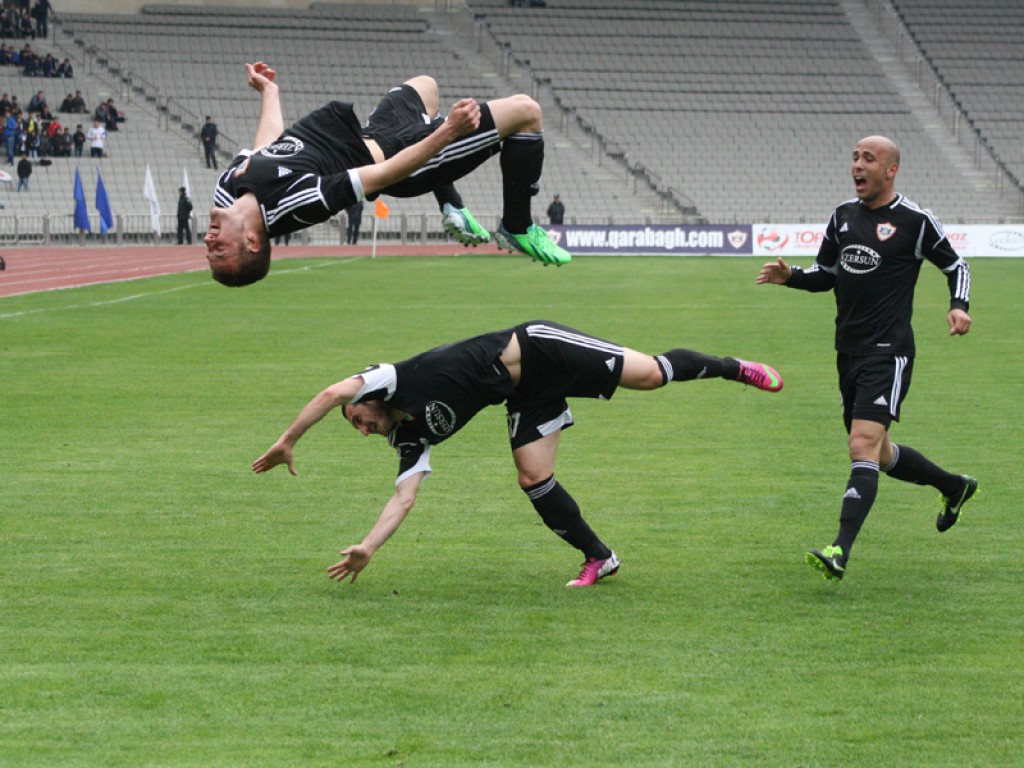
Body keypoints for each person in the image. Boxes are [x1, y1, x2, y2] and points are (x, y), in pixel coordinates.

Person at [252, 320, 783, 586]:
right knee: (533, 475)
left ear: (370, 399)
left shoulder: (391, 379)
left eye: (359, 420)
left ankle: (733, 368)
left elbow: (332, 393)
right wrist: (368, 548)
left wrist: (288, 440)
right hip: (525, 393)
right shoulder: (410, 435)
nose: (364, 429)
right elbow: (404, 498)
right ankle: (600, 557)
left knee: (651, 376)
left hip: (539, 346)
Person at [756, 135, 977, 583]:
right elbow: (826, 275)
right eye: (855, 157)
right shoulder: (842, 216)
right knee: (879, 452)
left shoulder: (916, 221)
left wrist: (959, 305)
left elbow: (957, 266)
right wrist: (791, 276)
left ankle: (839, 550)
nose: (857, 165)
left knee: (861, 445)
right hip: (848, 352)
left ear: (891, 170)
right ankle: (954, 486)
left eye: (868, 159)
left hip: (889, 352)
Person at [205, 61, 570, 288]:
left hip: (378, 131)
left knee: (427, 85)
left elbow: (266, 147)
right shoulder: (296, 204)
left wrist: (269, 92)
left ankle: (451, 203)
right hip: (405, 163)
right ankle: (517, 226)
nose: (209, 240)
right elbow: (382, 175)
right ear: (252, 241)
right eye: (219, 249)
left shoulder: (227, 190)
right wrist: (448, 132)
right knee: (526, 111)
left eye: (210, 248)